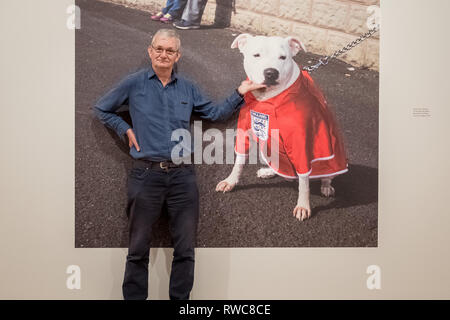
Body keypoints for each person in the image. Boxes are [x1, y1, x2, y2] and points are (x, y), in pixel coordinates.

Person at [93, 28, 265, 300]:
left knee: (185, 251)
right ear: (150, 51)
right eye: (159, 49)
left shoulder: (188, 87)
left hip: (183, 179)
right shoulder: (134, 83)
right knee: (138, 249)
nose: (163, 54)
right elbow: (102, 108)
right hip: (145, 176)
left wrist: (240, 92)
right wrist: (124, 128)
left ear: (177, 55)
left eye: (169, 51)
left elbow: (216, 113)